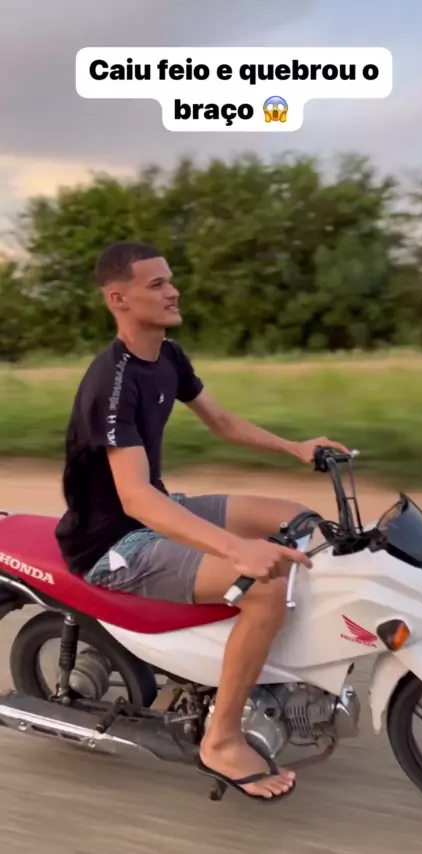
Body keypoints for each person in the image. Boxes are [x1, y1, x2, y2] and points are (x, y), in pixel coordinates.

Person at [55, 241, 349, 802]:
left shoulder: (168, 355)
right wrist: (235, 550)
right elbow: (136, 501)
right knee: (264, 587)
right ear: (118, 299)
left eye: (171, 280)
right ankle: (222, 739)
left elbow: (222, 421)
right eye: (157, 284)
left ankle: (279, 668)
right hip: (115, 543)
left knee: (299, 521)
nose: (174, 291)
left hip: (159, 505)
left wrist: (295, 448)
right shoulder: (111, 383)